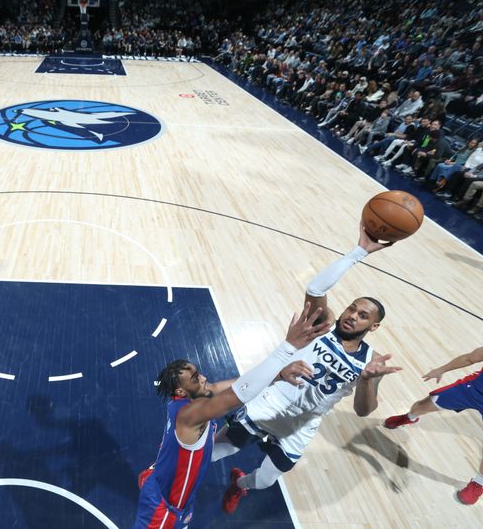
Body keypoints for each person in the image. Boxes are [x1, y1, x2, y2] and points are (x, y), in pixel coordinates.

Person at [216, 224, 401, 515]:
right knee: (217, 450)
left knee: (264, 481)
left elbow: (364, 411)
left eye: (362, 316)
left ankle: (239, 484)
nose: (352, 316)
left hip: (302, 425)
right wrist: (359, 252)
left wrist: (366, 381)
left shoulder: (371, 360)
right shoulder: (323, 325)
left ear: (373, 326)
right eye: (352, 308)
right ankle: (167, 473)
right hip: (270, 403)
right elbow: (315, 288)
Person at [133, 304, 329, 528]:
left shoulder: (181, 399)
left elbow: (223, 386)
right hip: (164, 510)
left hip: (173, 492)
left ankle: (154, 476)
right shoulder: (191, 414)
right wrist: (288, 348)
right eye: (196, 378)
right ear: (181, 391)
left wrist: (279, 374)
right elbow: (240, 393)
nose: (204, 378)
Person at [384, 345, 483, 505]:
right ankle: (410, 417)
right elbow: (470, 358)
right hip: (472, 390)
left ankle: (478, 484)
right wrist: (441, 369)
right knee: (421, 406)